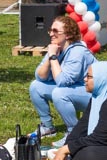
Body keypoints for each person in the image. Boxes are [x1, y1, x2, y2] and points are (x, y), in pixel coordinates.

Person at [29, 16, 97, 147]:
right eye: (50, 30)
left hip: (95, 96)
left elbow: (62, 82)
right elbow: (40, 76)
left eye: (56, 31)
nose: (51, 34)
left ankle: (74, 133)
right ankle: (47, 127)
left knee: (59, 93)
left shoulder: (77, 51)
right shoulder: (55, 48)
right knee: (35, 86)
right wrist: (50, 57)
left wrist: (53, 57)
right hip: (74, 89)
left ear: (68, 35)